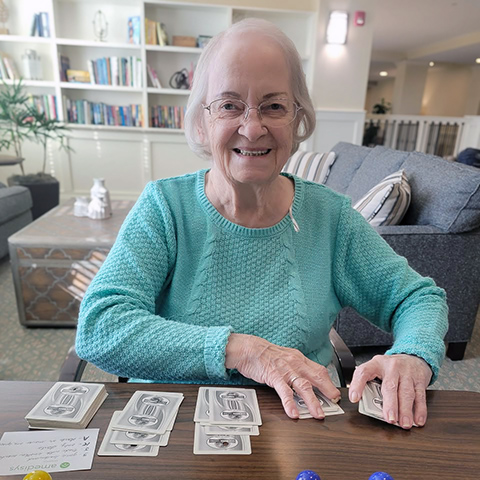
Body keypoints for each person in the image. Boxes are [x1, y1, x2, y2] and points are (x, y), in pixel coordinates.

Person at [76, 19, 448, 430]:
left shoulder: (331, 218)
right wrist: (245, 351)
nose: (252, 128)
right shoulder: (165, 207)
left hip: (300, 431)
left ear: (297, 119)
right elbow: (100, 324)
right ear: (202, 121)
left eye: (273, 106)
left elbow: (418, 298)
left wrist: (414, 354)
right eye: (230, 105)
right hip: (175, 432)